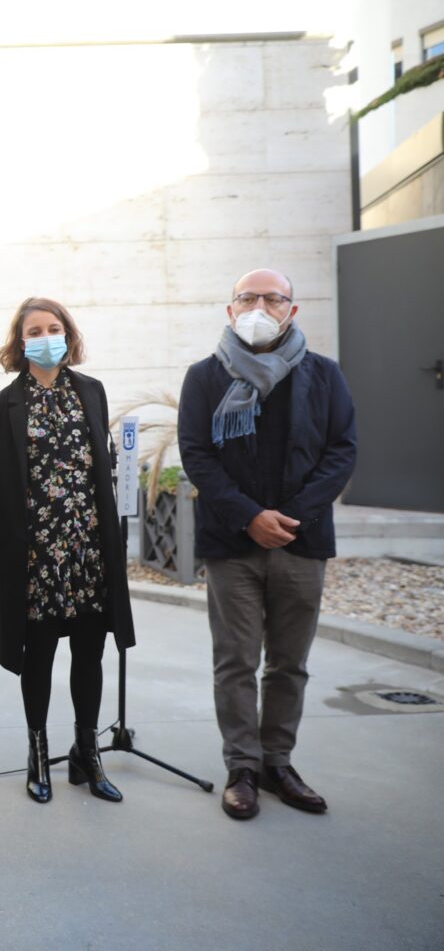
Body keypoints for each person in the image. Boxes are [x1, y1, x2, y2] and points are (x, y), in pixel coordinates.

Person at [177, 269, 357, 821]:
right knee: (235, 661)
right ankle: (243, 768)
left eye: (273, 298)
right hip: (233, 543)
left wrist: (292, 517)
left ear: (291, 310)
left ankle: (278, 763)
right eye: (248, 298)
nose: (260, 307)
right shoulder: (205, 376)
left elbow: (342, 451)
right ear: (230, 309)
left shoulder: (324, 375)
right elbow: (197, 454)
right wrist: (250, 517)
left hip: (301, 543)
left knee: (289, 663)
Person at [0, 297, 136, 804]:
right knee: (40, 656)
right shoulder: (4, 405)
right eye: (35, 330)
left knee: (90, 653)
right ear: (20, 340)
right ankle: (38, 752)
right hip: (36, 554)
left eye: (54, 328)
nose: (46, 337)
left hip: (89, 548)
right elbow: (7, 485)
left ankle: (86, 753)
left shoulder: (91, 391)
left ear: (68, 335)